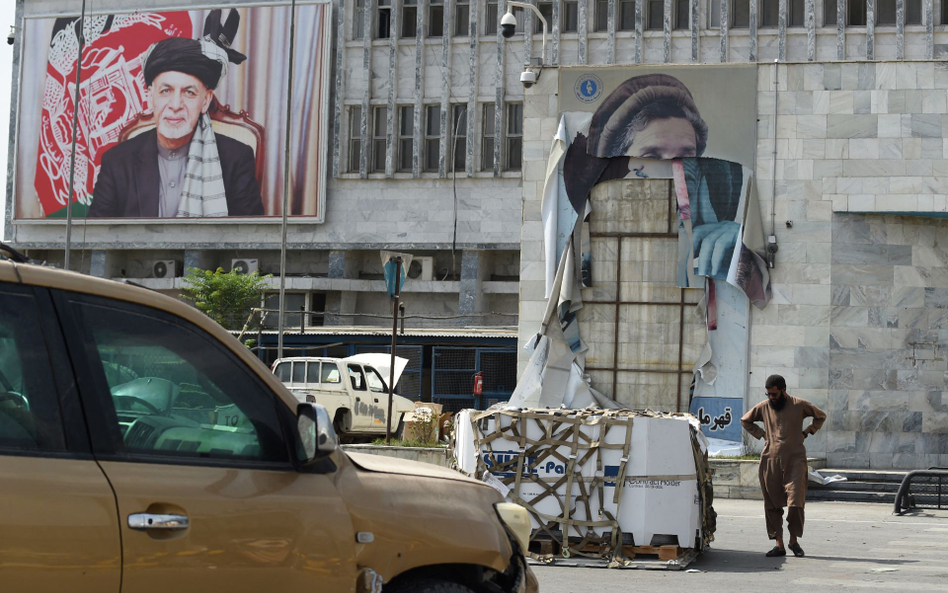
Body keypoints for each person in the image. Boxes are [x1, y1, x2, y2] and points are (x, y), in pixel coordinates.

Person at [89, 10, 263, 218]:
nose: (175, 105)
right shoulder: (116, 162)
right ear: (150, 96)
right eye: (166, 91)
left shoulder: (237, 159)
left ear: (205, 101)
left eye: (189, 92)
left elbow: (248, 242)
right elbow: (95, 242)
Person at [740, 374, 826, 558]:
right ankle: (779, 544)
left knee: (795, 503)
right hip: (770, 459)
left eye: (774, 394)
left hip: (795, 459)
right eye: (768, 394)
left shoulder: (799, 405)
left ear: (783, 390)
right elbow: (745, 420)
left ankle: (793, 540)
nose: (771, 397)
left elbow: (820, 416)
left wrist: (807, 432)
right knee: (772, 503)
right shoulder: (763, 407)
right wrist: (762, 434)